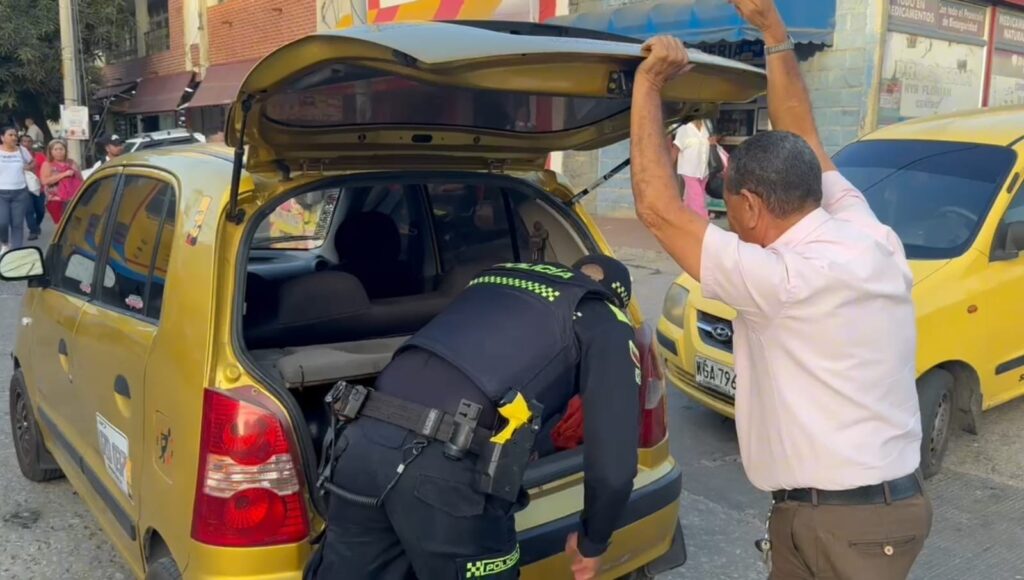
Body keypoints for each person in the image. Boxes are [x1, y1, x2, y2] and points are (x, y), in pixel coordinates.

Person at [628, 1, 930, 578]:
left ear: (748, 205)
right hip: (871, 513)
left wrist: (650, 83)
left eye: (727, 208)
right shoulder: (868, 234)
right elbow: (805, 137)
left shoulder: (784, 281)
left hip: (844, 526)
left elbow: (659, 211)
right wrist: (773, 30)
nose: (727, 221)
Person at [309, 255, 641, 580]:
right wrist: (592, 542)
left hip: (359, 437)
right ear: (617, 300)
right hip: (443, 465)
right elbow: (614, 463)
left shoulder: (496, 279)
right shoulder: (606, 318)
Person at [0, 126, 35, 252]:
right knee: (2, 222)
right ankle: (4, 242)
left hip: (20, 192)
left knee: (17, 224)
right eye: (10, 135)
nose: (14, 137)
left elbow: (33, 162)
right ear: (2, 137)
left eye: (15, 135)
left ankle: (16, 251)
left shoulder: (21, 150)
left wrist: (28, 167)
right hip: (1, 193)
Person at [671, 117, 712, 219]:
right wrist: (667, 168)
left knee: (692, 199)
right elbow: (675, 149)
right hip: (689, 171)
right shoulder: (684, 128)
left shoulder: (707, 125)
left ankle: (683, 219)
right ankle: (704, 222)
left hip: (703, 171)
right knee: (698, 200)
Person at [40, 139, 83, 225]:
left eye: (61, 149)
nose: (59, 152)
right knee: (61, 225)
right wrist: (63, 174)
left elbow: (80, 179)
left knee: (76, 224)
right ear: (50, 151)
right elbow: (45, 181)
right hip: (56, 200)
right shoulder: (48, 164)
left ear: (65, 150)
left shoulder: (72, 162)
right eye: (55, 149)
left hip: (73, 198)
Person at [20, 135, 47, 240]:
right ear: (20, 143)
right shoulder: (16, 156)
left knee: (40, 211)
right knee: (29, 210)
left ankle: (36, 225)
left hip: (39, 187)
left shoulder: (39, 156)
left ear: (32, 143)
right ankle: (33, 231)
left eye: (29, 141)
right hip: (24, 188)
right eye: (24, 141)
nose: (26, 144)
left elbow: (46, 168)